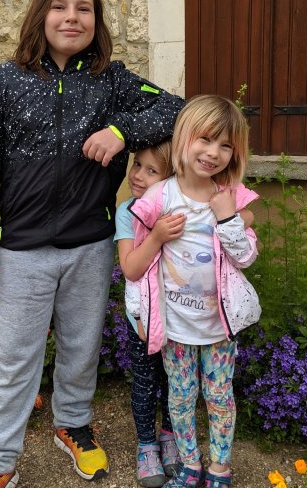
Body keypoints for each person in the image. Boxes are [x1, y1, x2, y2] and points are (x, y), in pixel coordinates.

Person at [0, 0, 185, 488]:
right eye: (60, 6)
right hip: (24, 249)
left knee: (80, 347)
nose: (71, 17)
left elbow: (179, 111)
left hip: (90, 245)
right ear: (41, 14)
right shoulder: (4, 82)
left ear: (96, 21)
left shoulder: (112, 80)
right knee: (15, 357)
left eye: (84, 8)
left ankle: (73, 424)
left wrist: (121, 130)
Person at [127, 94, 261, 488]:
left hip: (218, 327)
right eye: (205, 139)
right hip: (176, 327)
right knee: (181, 398)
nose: (213, 153)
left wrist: (229, 217)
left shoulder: (230, 195)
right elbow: (138, 267)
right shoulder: (159, 197)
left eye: (225, 145)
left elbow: (245, 257)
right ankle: (189, 466)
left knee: (220, 398)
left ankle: (220, 469)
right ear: (183, 137)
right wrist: (141, 314)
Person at [115, 141, 183, 487]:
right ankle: (146, 446)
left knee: (175, 379)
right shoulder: (127, 211)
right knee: (145, 381)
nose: (138, 175)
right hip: (142, 317)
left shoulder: (182, 208)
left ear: (171, 178)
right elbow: (130, 268)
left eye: (151, 170)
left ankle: (170, 436)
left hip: (181, 317)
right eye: (137, 164)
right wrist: (156, 236)